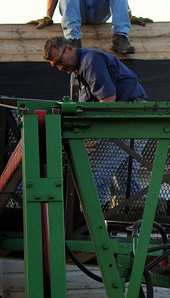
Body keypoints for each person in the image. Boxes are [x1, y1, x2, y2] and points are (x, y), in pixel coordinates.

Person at [43, 35, 147, 203]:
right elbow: (80, 111)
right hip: (116, 122)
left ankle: (90, 225)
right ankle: (136, 217)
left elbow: (108, 103)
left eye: (60, 62)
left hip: (131, 119)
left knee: (96, 172)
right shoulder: (74, 75)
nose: (60, 68)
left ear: (69, 49)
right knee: (123, 180)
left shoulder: (91, 61)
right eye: (55, 66)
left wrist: (92, 137)